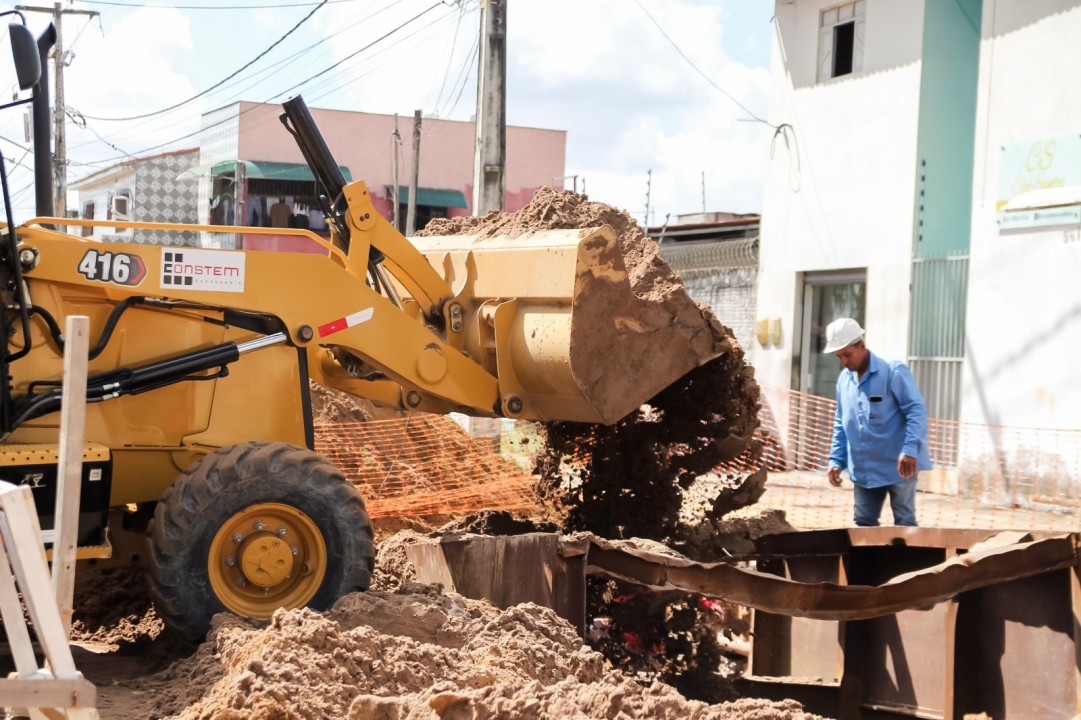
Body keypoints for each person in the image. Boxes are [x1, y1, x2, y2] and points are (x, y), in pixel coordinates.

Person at [823, 317, 932, 527]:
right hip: (864, 469)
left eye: (847, 354)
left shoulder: (892, 371)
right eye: (839, 357)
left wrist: (910, 450)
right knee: (863, 523)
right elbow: (841, 422)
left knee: (904, 522)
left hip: (900, 467)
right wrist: (836, 459)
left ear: (862, 345)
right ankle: (869, 561)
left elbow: (916, 410)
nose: (844, 362)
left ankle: (907, 561)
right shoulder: (844, 381)